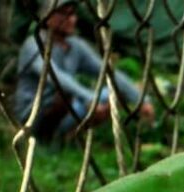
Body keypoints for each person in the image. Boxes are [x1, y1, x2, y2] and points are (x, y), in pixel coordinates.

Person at [13, 0, 154, 142]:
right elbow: (57, 78)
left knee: (118, 92)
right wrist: (89, 99)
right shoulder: (33, 45)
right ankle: (45, 140)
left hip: (72, 105)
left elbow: (107, 71)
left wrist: (140, 99)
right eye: (64, 14)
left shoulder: (75, 46)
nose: (72, 19)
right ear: (47, 17)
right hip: (34, 113)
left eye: (73, 14)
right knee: (64, 95)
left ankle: (66, 138)